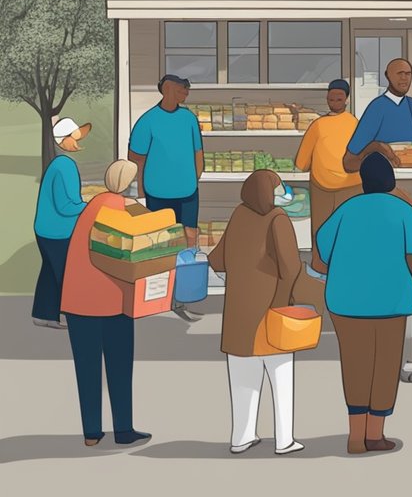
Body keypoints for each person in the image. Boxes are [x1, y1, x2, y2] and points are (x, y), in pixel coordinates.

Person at [315, 152, 412, 455]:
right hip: (391, 300)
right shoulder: (405, 211)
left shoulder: (346, 209)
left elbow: (322, 251)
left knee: (355, 364)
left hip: (346, 301)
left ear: (363, 181)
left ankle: (355, 436)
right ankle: (375, 435)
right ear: (390, 180)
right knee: (385, 366)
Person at [208, 170, 305, 456]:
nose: (282, 191)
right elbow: (290, 267)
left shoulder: (238, 214)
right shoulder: (278, 219)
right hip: (271, 308)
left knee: (242, 380)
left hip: (239, 312)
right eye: (278, 186)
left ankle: (242, 436)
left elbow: (217, 259)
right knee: (281, 376)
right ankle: (284, 439)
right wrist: (288, 299)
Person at [61, 160, 151, 447]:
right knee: (119, 367)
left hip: (78, 302)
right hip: (111, 301)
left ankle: (92, 433)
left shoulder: (94, 205)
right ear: (127, 182)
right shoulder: (120, 209)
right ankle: (123, 430)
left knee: (87, 369)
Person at [128, 74, 205, 322]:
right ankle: (158, 297)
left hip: (188, 192)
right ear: (168, 89)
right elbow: (135, 158)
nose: (187, 93)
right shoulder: (148, 121)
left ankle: (183, 296)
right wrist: (142, 188)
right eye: (183, 89)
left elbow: (198, 152)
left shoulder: (189, 119)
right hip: (158, 193)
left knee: (189, 241)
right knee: (160, 244)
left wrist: (194, 177)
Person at [32, 117, 92, 329]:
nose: (78, 142)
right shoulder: (65, 165)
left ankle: (43, 314)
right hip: (58, 231)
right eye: (74, 138)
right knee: (65, 274)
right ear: (62, 140)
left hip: (44, 229)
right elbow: (66, 206)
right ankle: (68, 315)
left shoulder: (57, 164)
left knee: (49, 271)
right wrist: (90, 206)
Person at [297, 79, 362, 234]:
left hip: (323, 187)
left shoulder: (318, 125)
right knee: (349, 231)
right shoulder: (356, 123)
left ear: (346, 99)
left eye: (338, 99)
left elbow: (301, 163)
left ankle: (320, 259)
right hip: (352, 185)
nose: (334, 102)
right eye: (331, 99)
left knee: (321, 231)